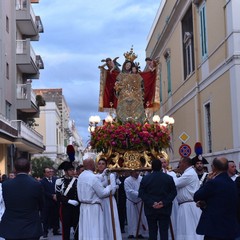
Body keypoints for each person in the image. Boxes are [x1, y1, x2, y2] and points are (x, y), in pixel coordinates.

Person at [194, 157, 239, 240]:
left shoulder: (213, 183)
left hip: (215, 229)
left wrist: (207, 181)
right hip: (230, 229)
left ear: (214, 167)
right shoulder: (233, 183)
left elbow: (197, 196)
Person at [0, 157, 44, 240]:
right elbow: (41, 205)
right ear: (29, 169)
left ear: (15, 169)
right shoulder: (36, 185)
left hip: (10, 227)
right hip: (31, 227)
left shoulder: (6, 185)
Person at [77, 158, 115, 240]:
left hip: (83, 206)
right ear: (91, 165)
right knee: (95, 229)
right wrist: (109, 187)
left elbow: (94, 180)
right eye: (94, 163)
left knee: (86, 230)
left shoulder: (81, 176)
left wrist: (103, 175)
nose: (96, 165)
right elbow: (102, 193)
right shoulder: (92, 177)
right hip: (93, 208)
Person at [139, 158, 177, 240]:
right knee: (164, 232)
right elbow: (173, 192)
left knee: (152, 232)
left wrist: (152, 203)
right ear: (161, 167)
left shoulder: (145, 178)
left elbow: (141, 193)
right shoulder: (168, 178)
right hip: (164, 209)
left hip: (150, 209)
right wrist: (163, 203)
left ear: (151, 167)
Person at [173, 157, 203, 240]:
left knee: (190, 229)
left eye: (180, 163)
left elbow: (175, 183)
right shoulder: (188, 172)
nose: (179, 165)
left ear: (185, 163)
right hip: (186, 206)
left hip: (189, 206)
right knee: (185, 229)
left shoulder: (189, 173)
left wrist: (170, 174)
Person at [96, 158, 122, 240]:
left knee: (110, 221)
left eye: (103, 163)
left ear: (106, 165)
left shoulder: (110, 175)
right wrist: (106, 187)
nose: (101, 165)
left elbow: (113, 190)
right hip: (99, 201)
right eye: (99, 163)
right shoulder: (95, 176)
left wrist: (102, 189)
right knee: (101, 222)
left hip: (109, 201)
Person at [55, 161, 79, 240]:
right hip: (65, 208)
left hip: (76, 208)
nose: (73, 172)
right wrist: (69, 201)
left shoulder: (76, 180)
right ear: (65, 171)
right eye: (70, 170)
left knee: (76, 229)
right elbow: (58, 196)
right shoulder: (59, 181)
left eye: (73, 170)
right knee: (66, 229)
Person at [124, 170, 148, 239]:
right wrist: (140, 194)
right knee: (131, 217)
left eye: (138, 171)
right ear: (131, 172)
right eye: (135, 171)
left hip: (139, 201)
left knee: (140, 217)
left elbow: (144, 188)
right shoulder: (127, 180)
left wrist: (142, 194)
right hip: (131, 202)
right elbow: (129, 191)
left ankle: (140, 232)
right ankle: (131, 232)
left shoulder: (141, 179)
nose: (137, 173)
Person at [40, 167, 61, 238]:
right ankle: (45, 232)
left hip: (55, 202)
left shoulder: (56, 180)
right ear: (45, 173)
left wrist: (56, 195)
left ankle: (55, 230)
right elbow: (43, 192)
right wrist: (52, 196)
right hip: (47, 202)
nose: (50, 173)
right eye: (48, 172)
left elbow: (59, 188)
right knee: (45, 218)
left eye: (50, 172)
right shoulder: (42, 181)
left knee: (56, 216)